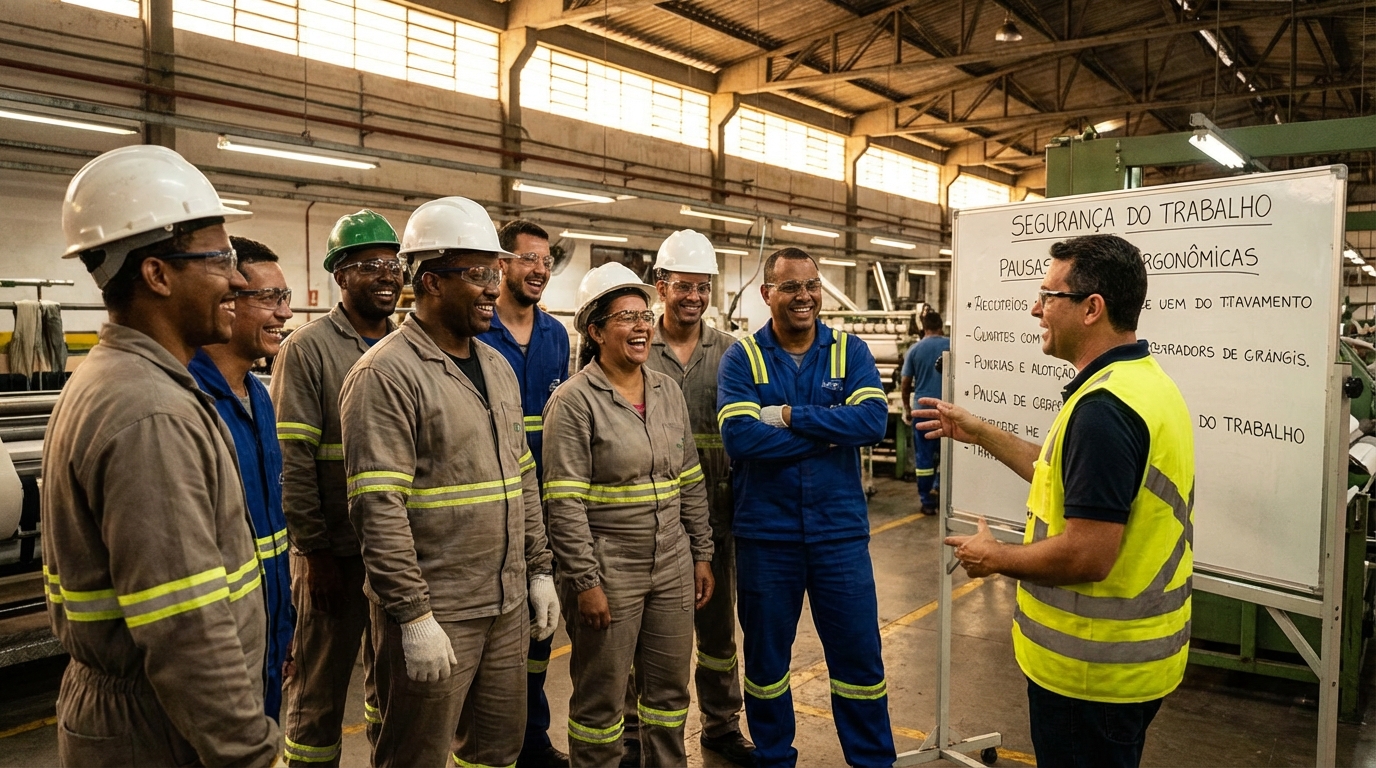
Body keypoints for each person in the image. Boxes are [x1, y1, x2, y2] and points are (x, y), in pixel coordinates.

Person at [41, 144, 279, 766]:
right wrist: (251, 754)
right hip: (159, 727)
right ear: (157, 274)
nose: (236, 279)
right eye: (220, 259)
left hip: (155, 710)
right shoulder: (148, 412)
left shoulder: (128, 381)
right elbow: (185, 625)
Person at [918, 234, 1194, 768]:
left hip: (1090, 674)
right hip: (1127, 667)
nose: (1035, 308)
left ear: (1092, 308)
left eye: (1049, 295)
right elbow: (1064, 475)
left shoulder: (1105, 410)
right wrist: (980, 433)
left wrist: (993, 558)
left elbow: (1086, 555)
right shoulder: (1142, 384)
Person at [340, 196, 557, 768]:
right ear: (431, 282)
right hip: (440, 611)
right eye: (480, 274)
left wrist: (538, 569)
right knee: (416, 755)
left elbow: (523, 475)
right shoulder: (386, 375)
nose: (494, 287)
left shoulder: (497, 367)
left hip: (506, 602)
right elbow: (378, 507)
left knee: (495, 751)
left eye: (497, 272)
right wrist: (412, 615)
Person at [717, 247, 895, 768]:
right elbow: (741, 439)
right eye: (791, 287)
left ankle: (872, 761)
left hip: (838, 535)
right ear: (766, 293)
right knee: (767, 662)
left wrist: (791, 415)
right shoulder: (742, 357)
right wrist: (828, 433)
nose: (804, 297)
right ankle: (774, 759)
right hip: (766, 537)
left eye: (812, 285)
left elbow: (872, 424)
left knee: (859, 658)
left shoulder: (849, 350)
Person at [542, 262, 715, 768]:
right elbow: (564, 503)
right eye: (626, 317)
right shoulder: (573, 402)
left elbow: (690, 478)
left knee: (667, 696)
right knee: (601, 701)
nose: (642, 326)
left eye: (645, 315)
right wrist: (584, 581)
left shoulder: (666, 391)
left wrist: (701, 552)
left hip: (672, 565)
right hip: (608, 568)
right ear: (595, 331)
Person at [272, 209, 401, 765]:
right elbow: (294, 460)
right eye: (369, 264)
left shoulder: (409, 347)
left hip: (392, 552)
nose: (386, 276)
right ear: (339, 275)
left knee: (390, 683)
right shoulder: (307, 349)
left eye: (393, 265)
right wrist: (315, 551)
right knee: (319, 688)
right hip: (334, 554)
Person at [641, 230, 754, 767]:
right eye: (683, 286)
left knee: (717, 632)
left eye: (702, 287)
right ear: (660, 286)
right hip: (653, 517)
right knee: (650, 637)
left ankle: (721, 724)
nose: (694, 297)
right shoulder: (637, 347)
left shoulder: (731, 352)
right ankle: (641, 734)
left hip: (720, 514)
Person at [188, 236, 296, 722]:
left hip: (265, 634)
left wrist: (284, 627)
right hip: (217, 653)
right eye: (271, 299)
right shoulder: (189, 401)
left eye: (285, 299)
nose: (285, 315)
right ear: (228, 302)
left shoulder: (260, 396)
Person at [477, 219, 572, 768]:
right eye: (528, 259)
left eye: (546, 261)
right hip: (491, 501)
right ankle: (492, 744)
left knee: (541, 626)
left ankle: (533, 737)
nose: (539, 270)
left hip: (544, 505)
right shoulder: (477, 327)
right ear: (502, 264)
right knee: (492, 633)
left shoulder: (557, 335)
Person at [899, 309, 949, 514]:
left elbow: (905, 382)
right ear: (941, 327)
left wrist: (907, 408)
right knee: (947, 457)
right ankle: (940, 489)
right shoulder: (952, 345)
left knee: (924, 459)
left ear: (924, 328)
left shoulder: (914, 349)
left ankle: (926, 500)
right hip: (948, 412)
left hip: (921, 412)